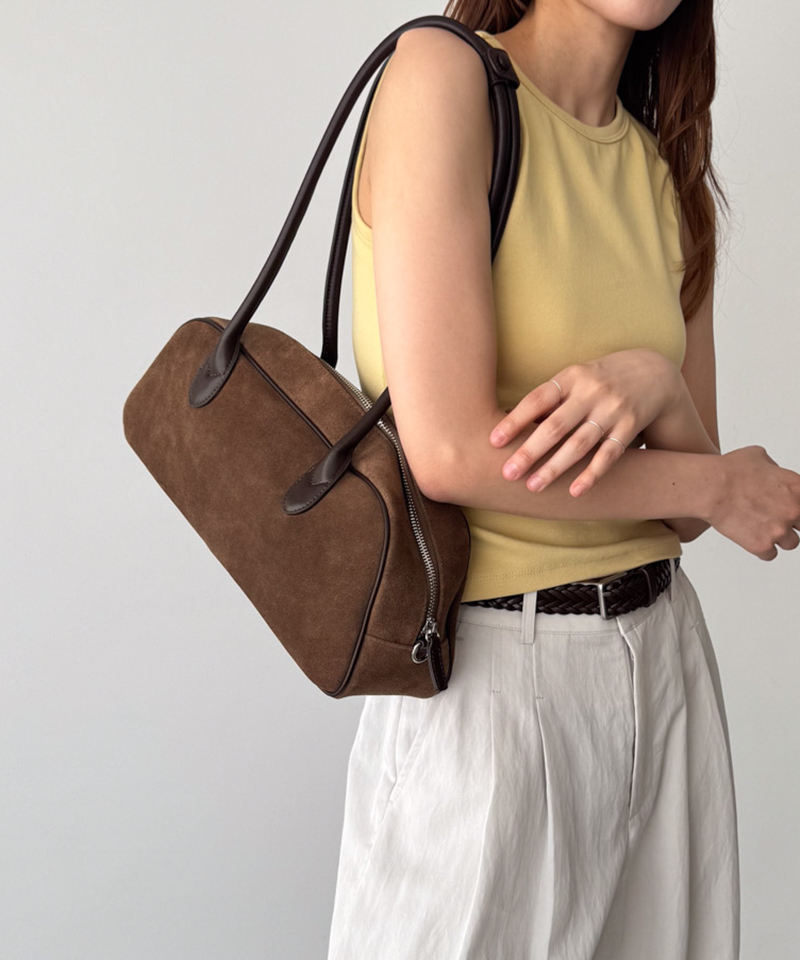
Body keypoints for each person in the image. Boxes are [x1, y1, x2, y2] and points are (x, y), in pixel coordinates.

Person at [326, 1, 800, 958]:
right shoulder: (444, 77)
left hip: (665, 665)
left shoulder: (665, 168)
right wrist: (712, 487)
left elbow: (686, 496)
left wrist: (656, 383)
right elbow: (449, 450)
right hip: (494, 681)